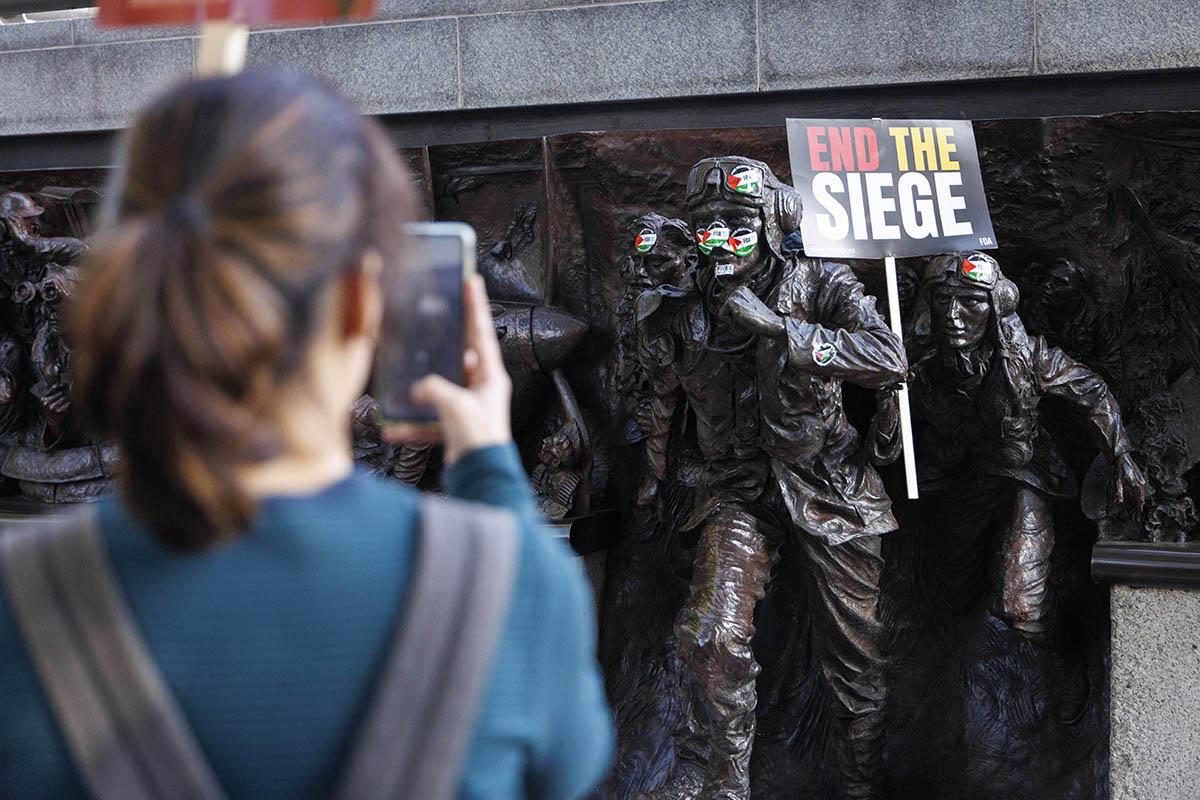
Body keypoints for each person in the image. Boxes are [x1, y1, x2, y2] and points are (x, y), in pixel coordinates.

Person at [0, 71, 612, 800]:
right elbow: (567, 770)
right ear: (362, 305)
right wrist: (487, 465)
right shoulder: (510, 587)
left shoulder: (27, 606)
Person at [640, 157, 907, 800]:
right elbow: (657, 402)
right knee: (709, 632)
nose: (720, 241)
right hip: (739, 492)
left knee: (857, 668)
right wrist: (653, 481)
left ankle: (861, 787)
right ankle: (723, 785)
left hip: (827, 487)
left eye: (737, 224)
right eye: (707, 227)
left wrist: (777, 327)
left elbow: (889, 357)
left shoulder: (821, 283)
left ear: (769, 225)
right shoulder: (681, 309)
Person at [886, 252, 1145, 638]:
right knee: (951, 588)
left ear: (995, 308)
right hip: (959, 479)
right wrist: (889, 398)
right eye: (943, 300)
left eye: (971, 302)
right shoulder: (916, 361)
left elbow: (1091, 392)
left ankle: (1049, 650)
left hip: (1023, 476)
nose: (953, 315)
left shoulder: (1028, 359)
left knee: (1020, 602)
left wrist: (1120, 452)